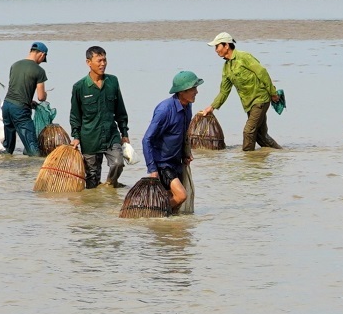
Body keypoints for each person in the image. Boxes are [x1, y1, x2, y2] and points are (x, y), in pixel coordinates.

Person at [202, 32, 283, 151]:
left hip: (260, 99)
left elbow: (262, 73)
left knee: (248, 131)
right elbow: (224, 91)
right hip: (248, 104)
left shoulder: (243, 57)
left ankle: (247, 160)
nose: (215, 50)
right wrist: (212, 107)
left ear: (226, 46)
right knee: (261, 137)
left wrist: (273, 93)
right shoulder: (226, 67)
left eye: (217, 46)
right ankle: (282, 154)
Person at [69, 46, 129, 190]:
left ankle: (109, 186)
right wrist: (76, 136)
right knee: (92, 179)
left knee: (118, 163)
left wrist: (124, 133)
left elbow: (120, 110)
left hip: (111, 135)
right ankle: (95, 209)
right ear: (88, 62)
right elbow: (75, 115)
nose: (103, 64)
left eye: (105, 60)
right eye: (99, 60)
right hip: (90, 138)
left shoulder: (113, 82)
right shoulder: (79, 87)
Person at [142, 70, 201, 214]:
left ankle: (167, 229)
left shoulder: (188, 107)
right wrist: (153, 169)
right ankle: (154, 213)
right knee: (181, 196)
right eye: (193, 89)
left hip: (176, 162)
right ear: (182, 91)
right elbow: (147, 139)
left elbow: (183, 133)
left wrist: (186, 153)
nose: (196, 92)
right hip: (163, 163)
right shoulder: (165, 110)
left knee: (173, 201)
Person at [2, 43, 49, 156]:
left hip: (7, 106)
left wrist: (29, 101)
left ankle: (5, 171)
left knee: (8, 148)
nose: (41, 61)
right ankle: (33, 172)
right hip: (20, 110)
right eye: (43, 58)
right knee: (33, 149)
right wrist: (45, 94)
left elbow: (16, 88)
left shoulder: (15, 65)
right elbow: (41, 97)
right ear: (42, 54)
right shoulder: (39, 70)